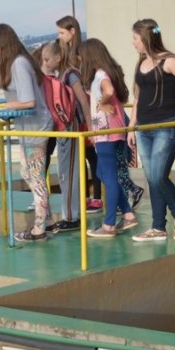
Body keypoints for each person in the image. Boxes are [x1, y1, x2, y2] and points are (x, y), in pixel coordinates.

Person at [127, 19, 175, 242]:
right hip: (144, 128)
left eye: (135, 38)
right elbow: (138, 97)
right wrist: (132, 127)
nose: (133, 42)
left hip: (166, 127)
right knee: (151, 178)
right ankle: (158, 226)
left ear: (145, 38)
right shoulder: (141, 63)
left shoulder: (169, 61)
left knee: (159, 175)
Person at [0, 23, 53, 242]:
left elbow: (29, 101)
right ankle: (47, 220)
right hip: (28, 129)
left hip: (36, 128)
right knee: (28, 173)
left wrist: (5, 107)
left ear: (4, 44)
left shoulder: (19, 64)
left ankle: (40, 228)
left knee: (34, 176)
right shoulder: (15, 64)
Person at [79, 38, 139, 237]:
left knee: (109, 177)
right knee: (102, 173)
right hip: (113, 130)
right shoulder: (109, 71)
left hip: (107, 132)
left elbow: (109, 91)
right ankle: (128, 214)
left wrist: (102, 102)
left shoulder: (100, 74)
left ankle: (109, 224)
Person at [57, 15, 104, 213]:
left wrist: (91, 122)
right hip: (80, 114)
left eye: (62, 32)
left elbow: (83, 93)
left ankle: (97, 197)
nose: (59, 36)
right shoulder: (68, 56)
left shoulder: (79, 54)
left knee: (93, 157)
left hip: (86, 115)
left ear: (72, 31)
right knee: (84, 157)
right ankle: (86, 196)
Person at [39, 40, 84, 234]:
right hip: (64, 127)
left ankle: (72, 217)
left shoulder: (70, 75)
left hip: (70, 126)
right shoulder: (60, 75)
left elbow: (82, 99)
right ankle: (69, 215)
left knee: (69, 173)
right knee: (64, 172)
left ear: (58, 58)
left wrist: (88, 124)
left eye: (47, 59)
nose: (45, 63)